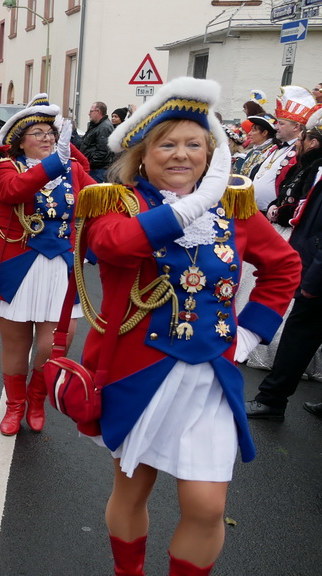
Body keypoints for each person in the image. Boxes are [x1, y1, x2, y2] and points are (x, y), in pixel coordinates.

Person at [75, 77, 298, 576]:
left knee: (207, 507)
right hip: (139, 373)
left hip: (210, 380)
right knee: (131, 489)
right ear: (142, 155)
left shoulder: (233, 207)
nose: (181, 154)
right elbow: (113, 248)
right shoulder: (116, 203)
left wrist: (248, 334)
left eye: (194, 144)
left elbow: (284, 266)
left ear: (210, 152)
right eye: (167, 144)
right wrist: (193, 205)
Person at [0, 93, 96, 436]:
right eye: (38, 133)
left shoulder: (72, 168)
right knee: (16, 345)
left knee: (53, 345)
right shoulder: (5, 168)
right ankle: (14, 405)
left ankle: (36, 398)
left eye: (51, 132)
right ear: (20, 142)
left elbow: (100, 202)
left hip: (61, 268)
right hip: (17, 267)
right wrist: (56, 162)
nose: (47, 138)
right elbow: (15, 191)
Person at [246, 108, 322, 420]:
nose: (301, 142)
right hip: (312, 262)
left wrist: (312, 280)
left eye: (306, 137)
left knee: (298, 336)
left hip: (317, 274)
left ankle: (272, 399)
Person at [252, 86, 315, 211]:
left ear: (296, 127)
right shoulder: (276, 148)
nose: (276, 127)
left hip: (274, 212)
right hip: (255, 209)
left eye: (281, 123)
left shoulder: (301, 151)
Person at [81, 101, 114, 182]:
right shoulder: (95, 126)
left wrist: (90, 163)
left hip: (97, 170)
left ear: (98, 111)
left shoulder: (104, 127)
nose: (89, 114)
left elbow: (102, 151)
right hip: (94, 169)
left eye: (91, 111)